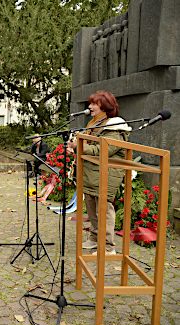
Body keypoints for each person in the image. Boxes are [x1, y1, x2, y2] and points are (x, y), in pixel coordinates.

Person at [68, 90, 131, 255]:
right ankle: (95, 238)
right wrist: (75, 145)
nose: (90, 107)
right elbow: (89, 145)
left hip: (106, 174)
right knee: (91, 206)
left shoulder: (115, 126)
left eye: (94, 104)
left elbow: (103, 149)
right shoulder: (94, 123)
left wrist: (79, 146)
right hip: (91, 173)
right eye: (90, 103)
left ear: (105, 106)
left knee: (104, 209)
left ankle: (108, 247)